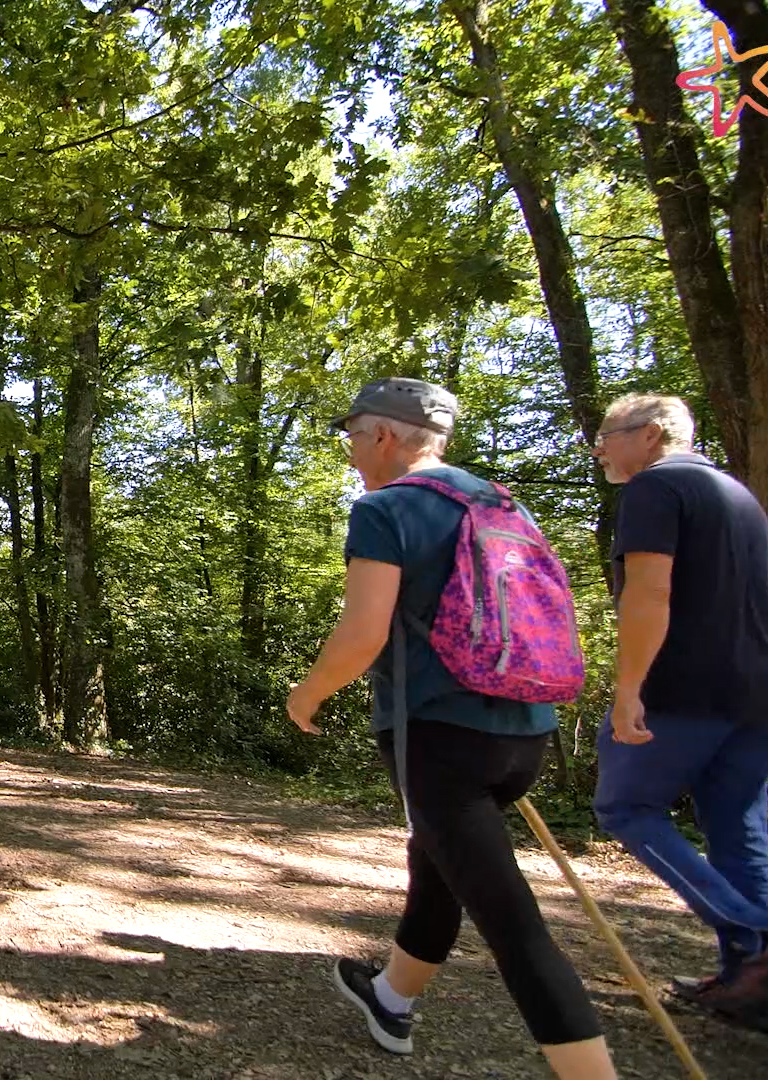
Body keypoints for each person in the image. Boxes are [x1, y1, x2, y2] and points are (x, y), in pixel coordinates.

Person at [287, 377, 615, 1079]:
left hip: (441, 736)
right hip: (526, 729)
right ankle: (390, 998)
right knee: (435, 859)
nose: (349, 453)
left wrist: (308, 694)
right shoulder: (498, 502)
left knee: (515, 929)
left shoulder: (387, 508)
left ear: (383, 436)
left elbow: (362, 632)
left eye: (352, 436)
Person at [589, 392, 768, 1034]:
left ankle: (763, 942)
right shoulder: (738, 496)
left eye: (609, 434)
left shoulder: (657, 490)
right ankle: (755, 989)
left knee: (626, 808)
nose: (600, 447)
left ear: (654, 434)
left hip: (685, 690)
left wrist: (630, 685)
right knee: (736, 824)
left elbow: (651, 589)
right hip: (760, 691)